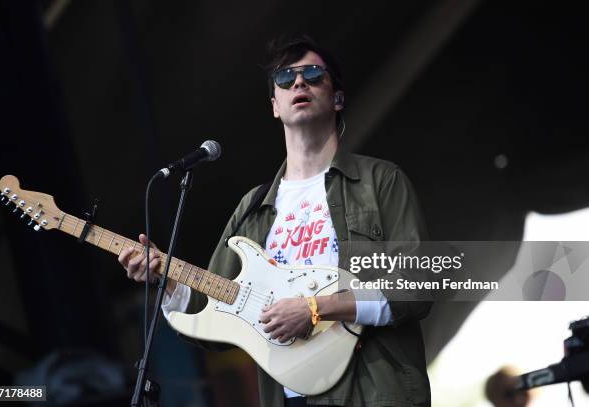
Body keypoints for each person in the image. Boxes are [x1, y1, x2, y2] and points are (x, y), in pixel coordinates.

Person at [119, 35, 431, 407]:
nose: (299, 83)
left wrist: (315, 309)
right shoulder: (252, 209)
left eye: (313, 74)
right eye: (285, 79)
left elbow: (417, 283)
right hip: (290, 397)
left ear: (338, 98)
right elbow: (215, 309)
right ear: (274, 106)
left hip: (372, 392)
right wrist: (167, 280)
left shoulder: (381, 181)